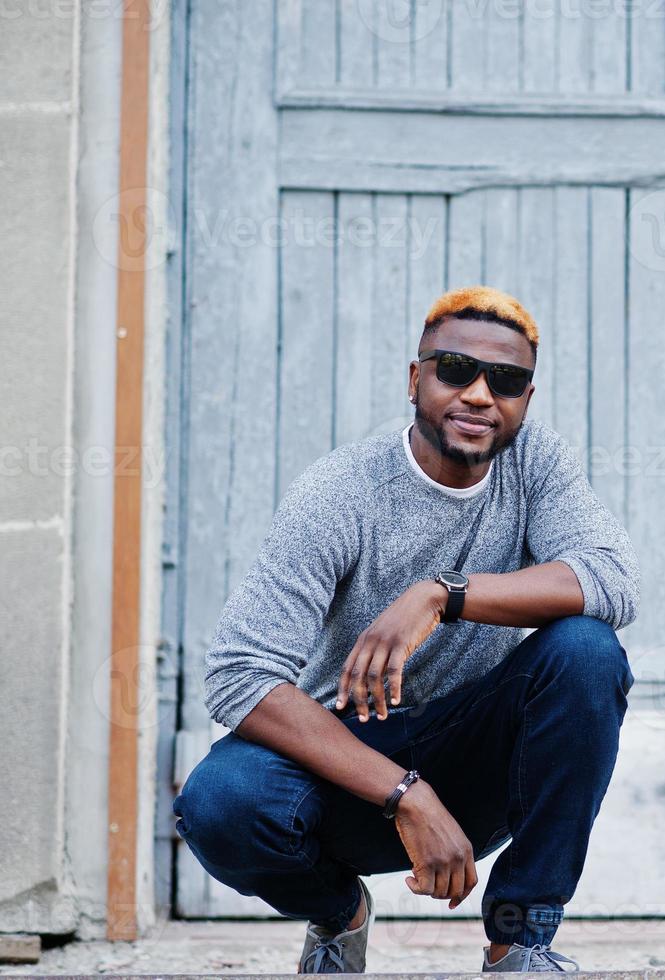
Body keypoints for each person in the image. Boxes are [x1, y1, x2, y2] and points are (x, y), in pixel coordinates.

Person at [172, 286, 639, 974]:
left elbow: (611, 582)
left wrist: (441, 595)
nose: (479, 394)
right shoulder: (340, 491)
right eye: (455, 370)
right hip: (343, 766)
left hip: (473, 755)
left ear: (525, 400)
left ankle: (520, 940)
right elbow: (240, 675)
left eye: (505, 381)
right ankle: (339, 913)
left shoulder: (534, 462)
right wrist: (405, 793)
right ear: (416, 379)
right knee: (220, 803)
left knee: (585, 651)